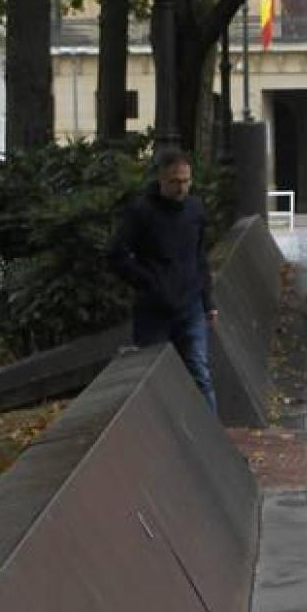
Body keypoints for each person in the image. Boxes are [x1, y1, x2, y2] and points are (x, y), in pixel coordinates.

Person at [109, 147, 218, 413]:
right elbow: (116, 254)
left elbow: (199, 257)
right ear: (161, 179)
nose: (181, 187)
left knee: (199, 374)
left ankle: (211, 439)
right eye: (174, 182)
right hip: (154, 310)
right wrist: (148, 282)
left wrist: (208, 301)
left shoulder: (194, 209)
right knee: (152, 376)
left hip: (190, 304)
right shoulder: (142, 211)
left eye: (185, 181)